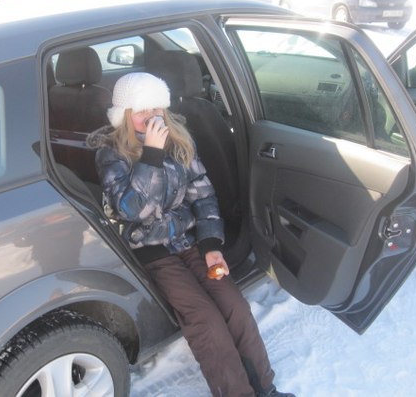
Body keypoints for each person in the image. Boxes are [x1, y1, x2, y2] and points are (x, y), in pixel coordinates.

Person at [90, 72, 294, 397]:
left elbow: (203, 195)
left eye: (156, 108)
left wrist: (211, 244)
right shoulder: (111, 153)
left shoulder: (180, 141)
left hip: (189, 242)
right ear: (124, 114)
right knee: (206, 321)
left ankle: (265, 389)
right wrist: (152, 155)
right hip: (152, 251)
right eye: (141, 110)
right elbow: (132, 210)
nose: (151, 116)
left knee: (236, 307)